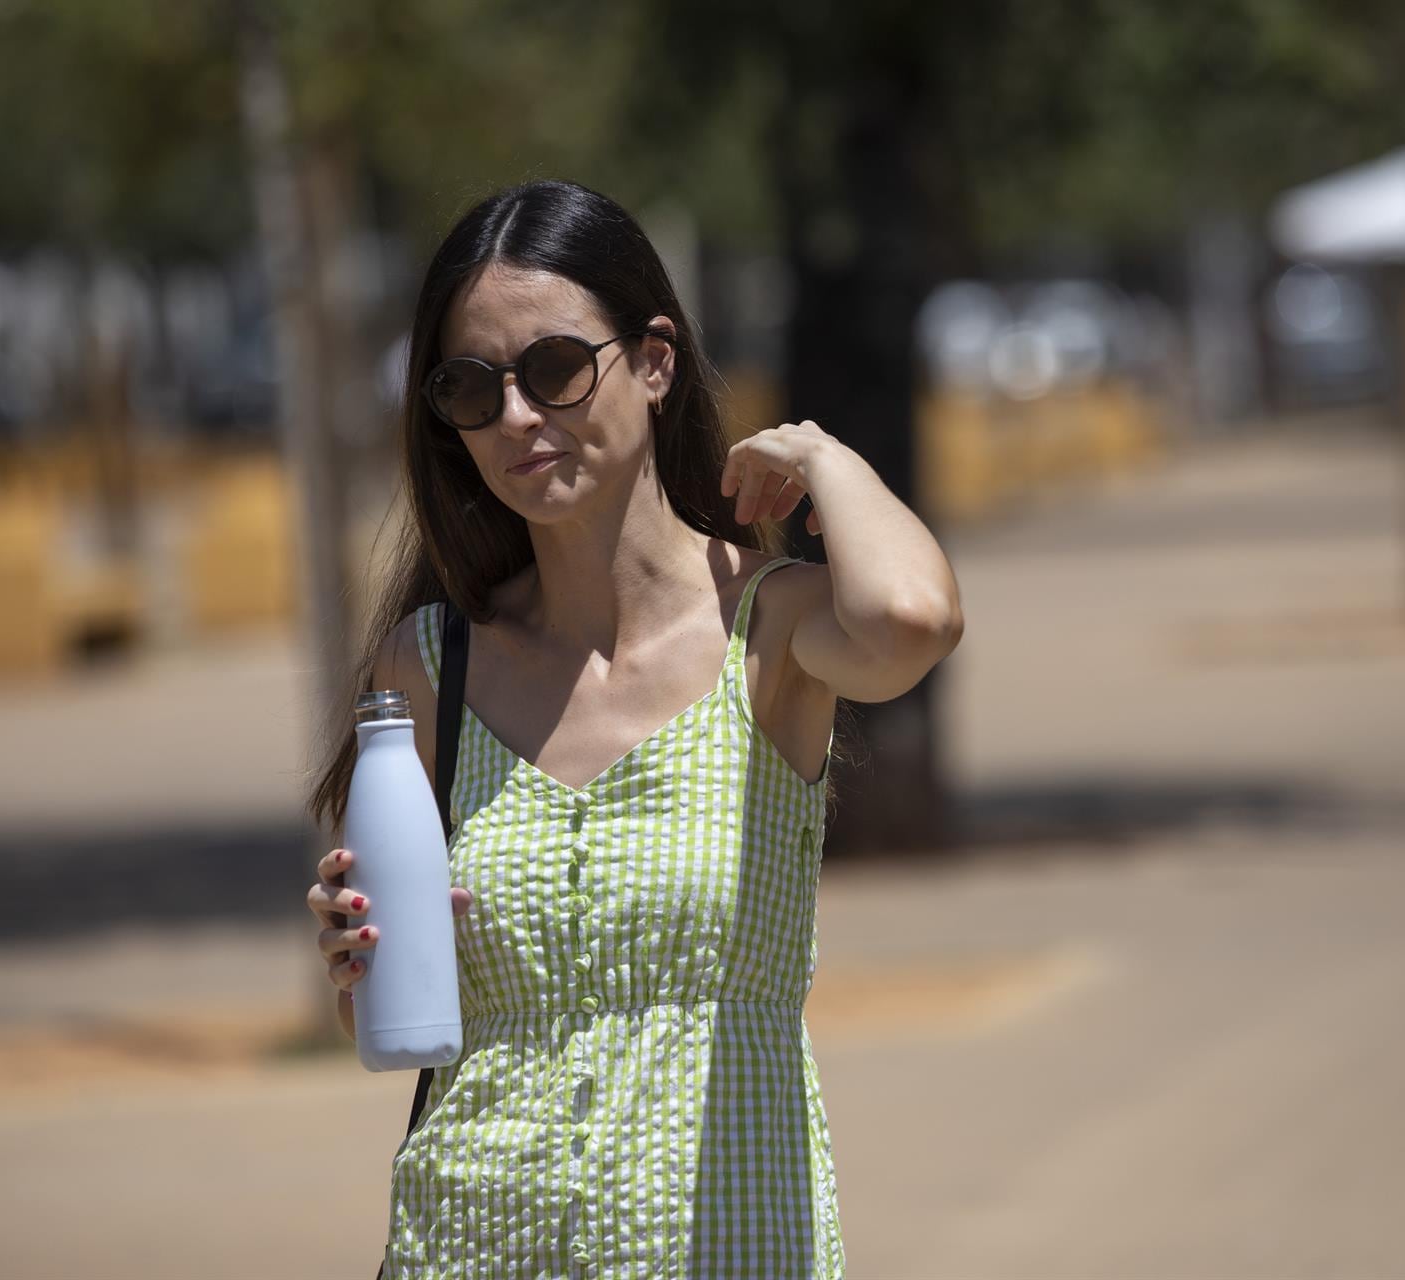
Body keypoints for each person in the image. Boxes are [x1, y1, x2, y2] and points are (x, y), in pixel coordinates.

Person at [304, 178, 963, 1278]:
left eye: (555, 369)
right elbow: (402, 1016)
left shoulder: (770, 630)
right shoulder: (429, 663)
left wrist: (822, 457)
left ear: (655, 362)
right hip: (467, 1243)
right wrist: (355, 965)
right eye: (471, 388)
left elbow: (913, 618)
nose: (517, 417)